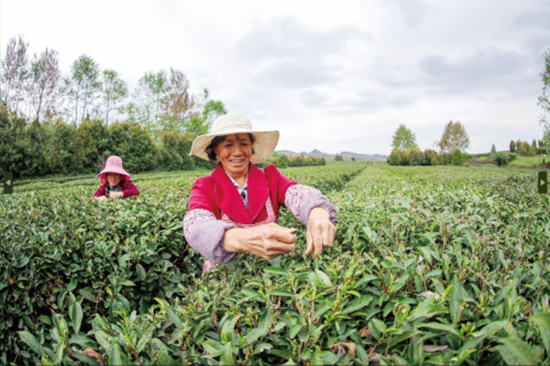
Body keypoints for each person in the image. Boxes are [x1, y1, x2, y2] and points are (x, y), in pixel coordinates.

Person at [183, 112, 337, 273]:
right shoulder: (205, 186)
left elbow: (297, 194)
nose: (237, 152)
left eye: (244, 143)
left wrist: (317, 212)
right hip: (226, 280)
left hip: (270, 273)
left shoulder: (271, 177)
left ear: (251, 146)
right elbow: (195, 225)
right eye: (228, 145)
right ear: (215, 149)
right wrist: (244, 239)